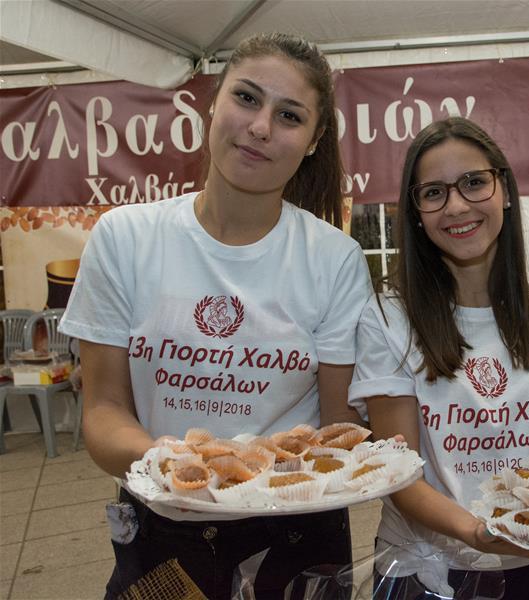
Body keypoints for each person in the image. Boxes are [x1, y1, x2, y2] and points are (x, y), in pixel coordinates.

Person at [60, 33, 372, 599]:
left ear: (313, 140)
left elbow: (337, 428)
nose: (260, 127)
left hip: (296, 533)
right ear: (212, 102)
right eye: (247, 98)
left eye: (290, 115)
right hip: (160, 529)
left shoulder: (335, 259)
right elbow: (104, 413)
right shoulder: (124, 238)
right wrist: (171, 456)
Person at [348, 117, 529, 599]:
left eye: (474, 183)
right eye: (433, 193)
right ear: (415, 212)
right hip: (421, 573)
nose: (456, 205)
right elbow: (399, 474)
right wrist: (479, 532)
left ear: (506, 191)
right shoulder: (387, 320)